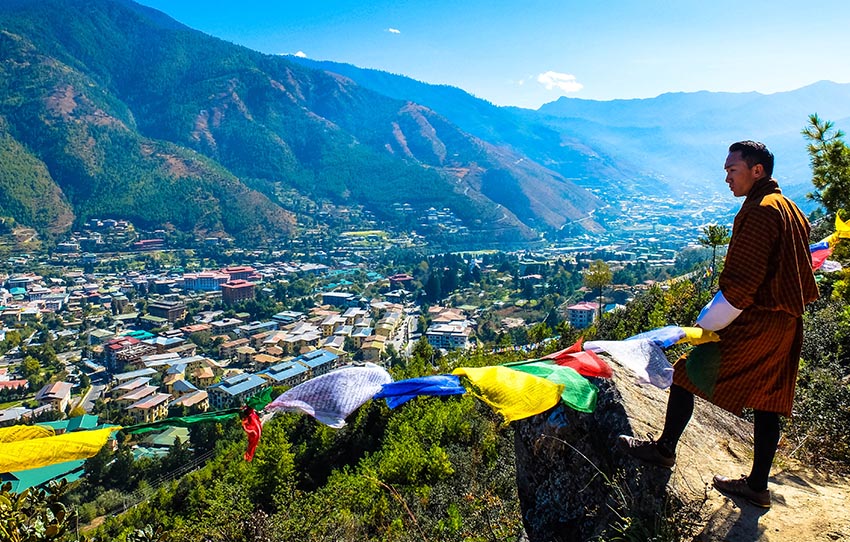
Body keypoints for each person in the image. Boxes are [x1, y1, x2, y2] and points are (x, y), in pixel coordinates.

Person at [618, 140, 819, 509]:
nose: (726, 177)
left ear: (757, 170)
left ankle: (665, 449)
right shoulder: (789, 207)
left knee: (686, 372)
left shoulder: (760, 210)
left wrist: (705, 325)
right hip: (787, 322)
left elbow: (742, 284)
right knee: (767, 401)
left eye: (732, 170)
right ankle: (758, 486)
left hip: (758, 320)